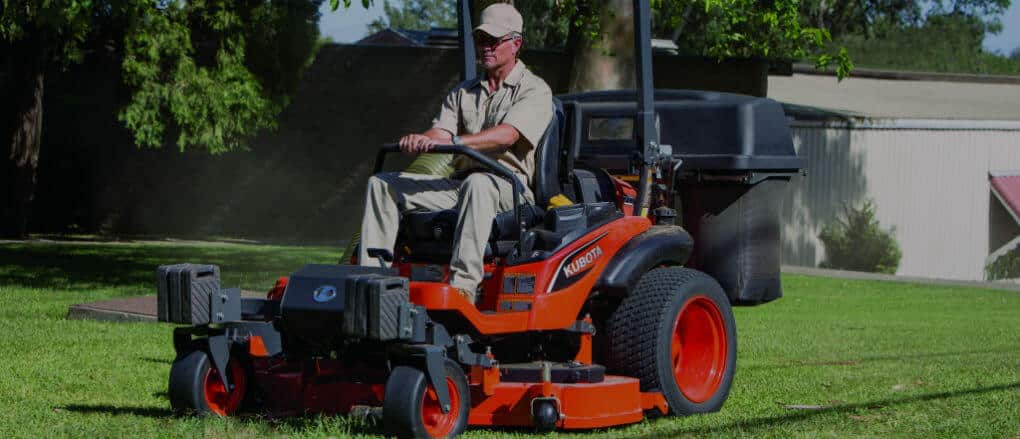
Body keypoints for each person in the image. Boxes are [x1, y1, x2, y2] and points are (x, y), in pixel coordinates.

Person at [358, 3, 554, 302]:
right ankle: (371, 283)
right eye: (481, 40)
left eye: (493, 40)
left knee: (478, 184)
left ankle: (463, 289)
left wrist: (460, 142)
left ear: (516, 43)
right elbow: (442, 132)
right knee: (382, 185)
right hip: (460, 185)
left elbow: (508, 135)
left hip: (508, 187)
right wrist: (421, 139)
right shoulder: (464, 91)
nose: (485, 47)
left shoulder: (534, 90)